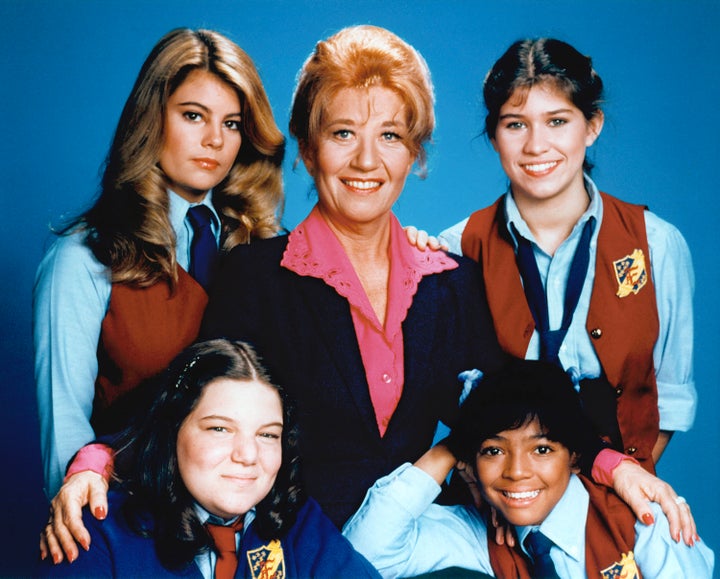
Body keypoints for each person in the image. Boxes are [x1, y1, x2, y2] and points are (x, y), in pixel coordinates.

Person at [41, 26, 695, 565]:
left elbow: (510, 402)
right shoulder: (256, 275)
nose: (366, 159)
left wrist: (612, 463)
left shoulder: (449, 278)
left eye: (390, 135)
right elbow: (186, 398)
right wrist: (93, 459)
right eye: (342, 131)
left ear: (416, 153)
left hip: (415, 550)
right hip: (298, 556)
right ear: (305, 147)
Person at [33, 27, 285, 500]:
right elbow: (64, 435)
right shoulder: (84, 259)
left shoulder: (266, 248)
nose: (214, 140)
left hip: (246, 520)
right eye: (194, 116)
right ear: (152, 119)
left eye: (232, 124)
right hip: (132, 519)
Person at [433, 38, 696, 471]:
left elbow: (670, 399)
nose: (536, 145)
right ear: (494, 135)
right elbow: (447, 397)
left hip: (621, 493)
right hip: (496, 499)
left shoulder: (657, 245)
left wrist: (608, 492)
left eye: (557, 121)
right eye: (515, 124)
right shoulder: (457, 246)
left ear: (592, 126)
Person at [38, 338, 380, 578]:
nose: (248, 455)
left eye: (267, 434)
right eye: (220, 429)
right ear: (172, 431)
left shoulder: (298, 521)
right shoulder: (95, 534)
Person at [343, 359, 714, 578]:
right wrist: (449, 449)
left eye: (541, 448)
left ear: (574, 455)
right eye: (493, 451)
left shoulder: (644, 522)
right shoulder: (480, 533)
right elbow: (367, 552)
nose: (517, 471)